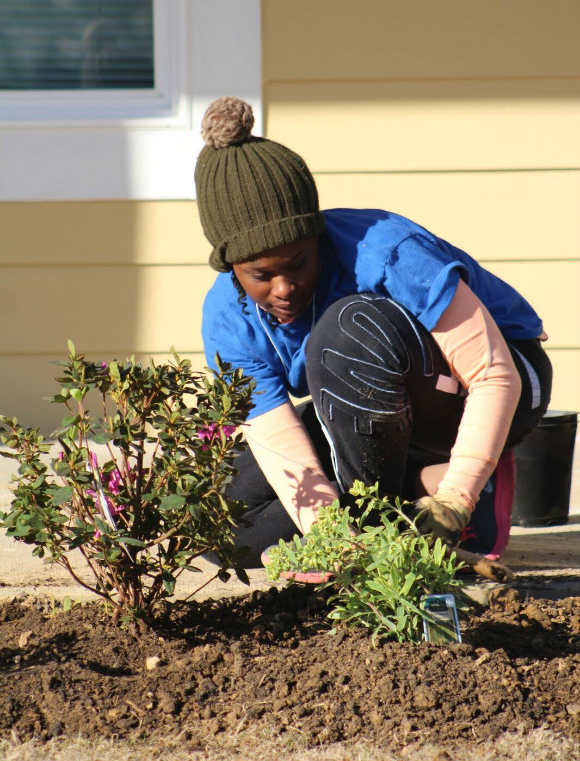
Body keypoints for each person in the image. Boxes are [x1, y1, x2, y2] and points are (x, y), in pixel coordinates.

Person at [195, 96, 552, 566]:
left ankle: (459, 485)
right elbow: (279, 445)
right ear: (231, 266)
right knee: (226, 520)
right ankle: (424, 486)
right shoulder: (227, 319)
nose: (284, 288)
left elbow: (492, 373)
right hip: (369, 415)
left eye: (299, 263)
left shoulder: (385, 250)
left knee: (347, 329)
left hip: (497, 383)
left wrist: (455, 499)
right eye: (261, 275)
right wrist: (334, 542)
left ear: (316, 235)